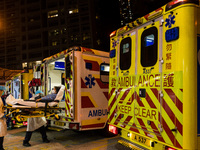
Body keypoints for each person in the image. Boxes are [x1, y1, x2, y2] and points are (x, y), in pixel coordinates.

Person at [0, 86, 6, 150]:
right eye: (1, 91)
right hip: (0, 118)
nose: (2, 92)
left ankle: (1, 147)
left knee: (1, 135)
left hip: (1, 118)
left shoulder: (0, 98)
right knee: (1, 135)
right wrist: (2, 115)